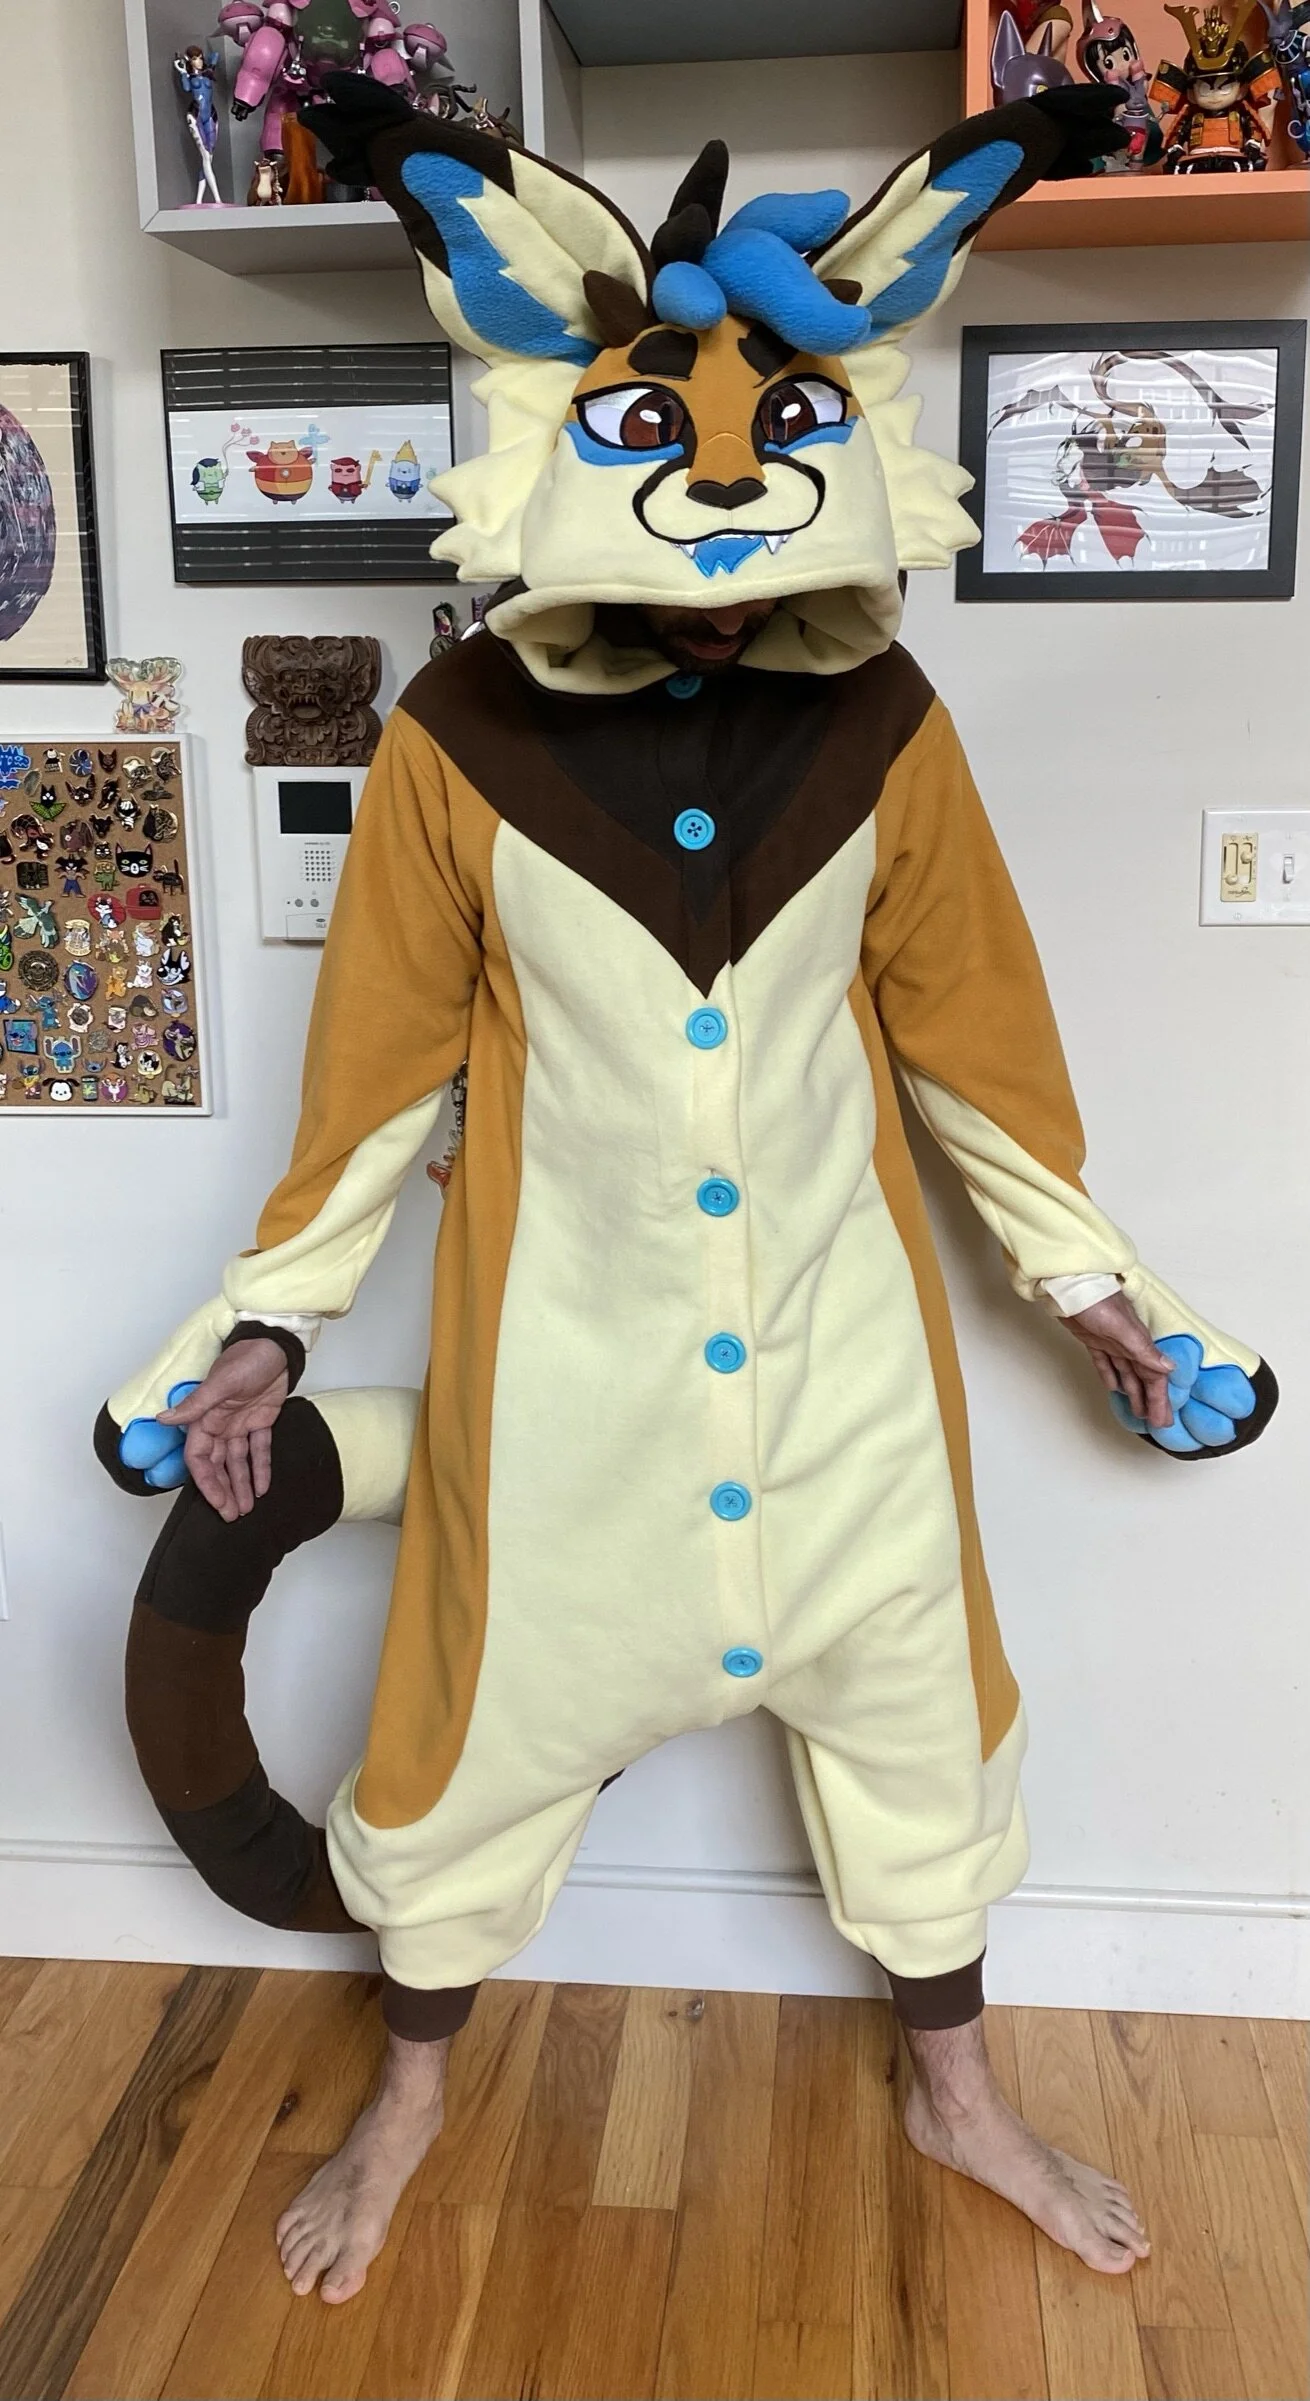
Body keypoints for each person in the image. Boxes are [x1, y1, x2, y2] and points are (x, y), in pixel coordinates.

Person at [98, 78, 1275, 2304]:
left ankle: (958, 2094)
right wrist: (263, 1326)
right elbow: (373, 1079)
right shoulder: (455, 738)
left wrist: (1096, 1291)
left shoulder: (886, 722)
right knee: (464, 1751)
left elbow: (976, 1046)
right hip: (566, 1391)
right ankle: (409, 2101)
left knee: (920, 1743)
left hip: (850, 1381)